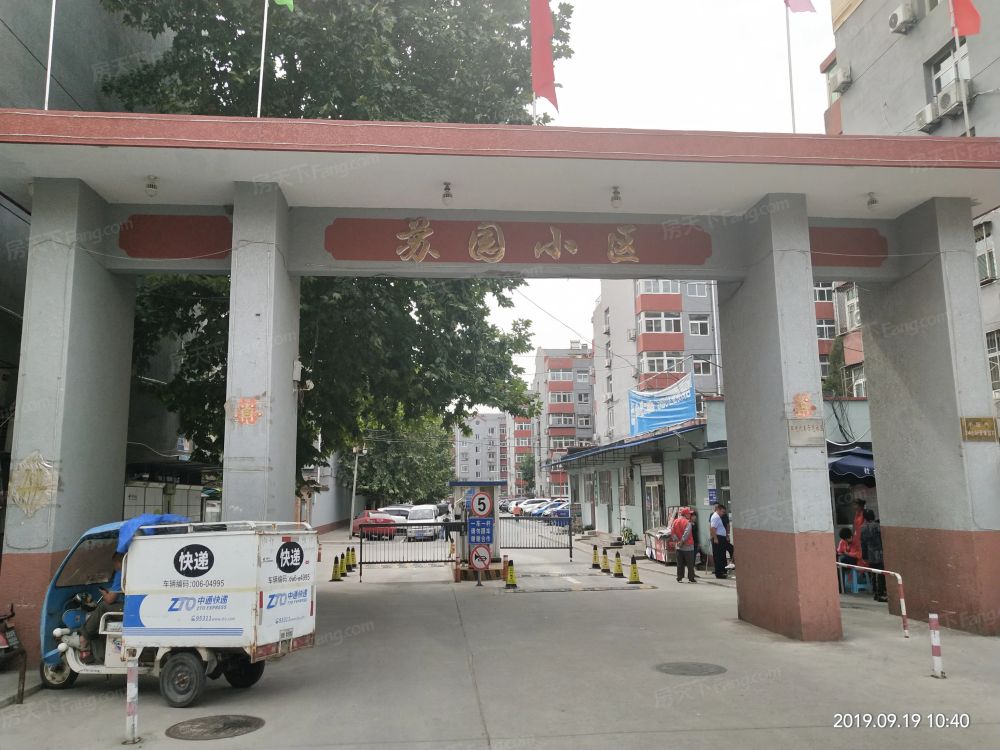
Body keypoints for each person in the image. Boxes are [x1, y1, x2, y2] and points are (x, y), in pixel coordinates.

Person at [79, 551, 124, 663]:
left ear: (119, 562)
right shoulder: (131, 571)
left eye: (115, 564)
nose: (115, 567)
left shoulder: (121, 573)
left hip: (126, 609)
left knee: (103, 606)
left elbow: (110, 600)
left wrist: (104, 594)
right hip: (131, 608)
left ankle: (84, 638)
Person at [860, 509, 888, 602]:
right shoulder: (877, 526)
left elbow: (863, 543)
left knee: (873, 573)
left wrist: (864, 556)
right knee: (880, 574)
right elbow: (882, 539)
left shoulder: (863, 528)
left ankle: (876, 593)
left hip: (870, 553)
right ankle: (881, 594)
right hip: (879, 552)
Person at [670, 507, 696, 583]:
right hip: (688, 546)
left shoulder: (675, 521)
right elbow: (687, 533)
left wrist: (677, 541)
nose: (690, 515)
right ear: (686, 514)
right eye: (689, 514)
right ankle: (691, 578)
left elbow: (672, 532)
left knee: (680, 563)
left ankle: (679, 577)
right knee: (690, 564)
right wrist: (682, 541)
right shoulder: (687, 522)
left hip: (678, 546)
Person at [710, 503, 731, 579]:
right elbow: (713, 528)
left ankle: (723, 571)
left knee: (722, 555)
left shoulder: (718, 516)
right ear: (718, 510)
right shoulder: (715, 517)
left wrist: (726, 535)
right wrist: (715, 538)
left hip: (721, 538)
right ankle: (719, 573)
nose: (723, 513)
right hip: (718, 538)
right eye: (722, 512)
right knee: (718, 556)